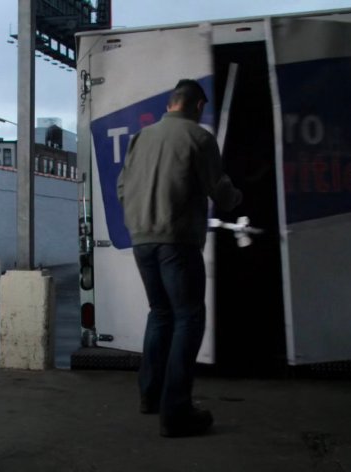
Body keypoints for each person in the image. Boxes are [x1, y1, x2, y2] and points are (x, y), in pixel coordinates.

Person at [117, 79, 242, 437]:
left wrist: (139, 218)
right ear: (197, 106)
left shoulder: (141, 138)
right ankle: (176, 412)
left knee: (160, 313)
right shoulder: (199, 137)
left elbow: (123, 187)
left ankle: (150, 396)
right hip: (177, 241)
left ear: (171, 102)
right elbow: (218, 190)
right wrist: (237, 196)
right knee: (189, 318)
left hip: (141, 239)